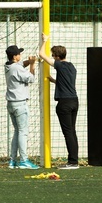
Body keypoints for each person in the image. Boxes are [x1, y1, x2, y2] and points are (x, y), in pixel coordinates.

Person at [37, 34, 79, 169]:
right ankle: (74, 160)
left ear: (56, 56)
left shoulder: (59, 65)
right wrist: (54, 81)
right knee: (72, 131)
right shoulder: (72, 66)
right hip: (74, 100)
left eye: (53, 55)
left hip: (64, 103)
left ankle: (72, 162)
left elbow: (41, 54)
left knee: (68, 132)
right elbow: (67, 83)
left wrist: (45, 41)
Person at [4, 44, 39, 169]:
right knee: (23, 132)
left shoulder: (8, 66)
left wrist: (28, 62)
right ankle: (24, 160)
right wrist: (33, 64)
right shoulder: (17, 69)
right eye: (19, 54)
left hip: (11, 104)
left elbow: (19, 66)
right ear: (14, 56)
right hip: (20, 104)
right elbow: (31, 78)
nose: (20, 55)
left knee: (17, 132)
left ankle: (12, 160)